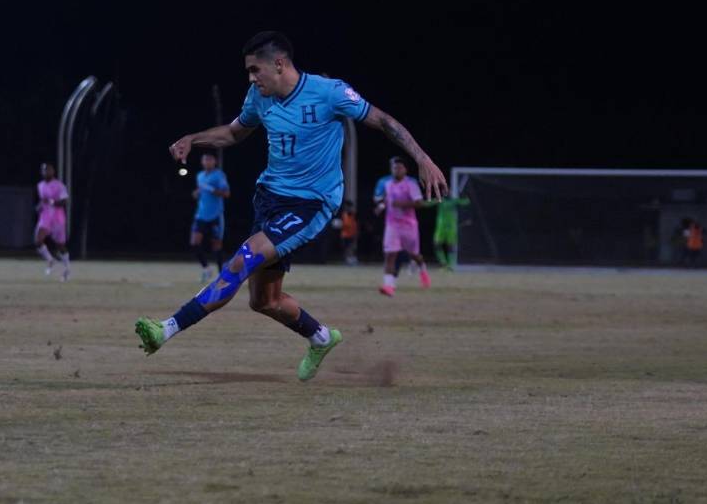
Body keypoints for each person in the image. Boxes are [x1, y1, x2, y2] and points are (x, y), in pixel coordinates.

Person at [134, 31, 447, 382]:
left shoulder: (329, 93)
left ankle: (166, 328)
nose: (251, 79)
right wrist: (193, 139)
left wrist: (422, 159)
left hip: (311, 203)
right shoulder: (259, 96)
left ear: (279, 64)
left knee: (243, 259)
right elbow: (235, 133)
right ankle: (322, 337)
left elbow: (384, 121)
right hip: (269, 199)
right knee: (264, 301)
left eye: (255, 70)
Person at [378, 157, 432, 296]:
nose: (397, 170)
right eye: (394, 168)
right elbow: (387, 199)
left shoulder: (411, 184)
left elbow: (420, 203)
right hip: (392, 225)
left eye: (399, 167)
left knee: (414, 254)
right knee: (390, 254)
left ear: (405, 170)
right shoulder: (387, 184)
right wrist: (381, 206)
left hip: (409, 225)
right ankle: (389, 286)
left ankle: (423, 270)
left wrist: (402, 204)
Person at [190, 151, 230, 283]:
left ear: (214, 161)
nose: (207, 162)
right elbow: (200, 193)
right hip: (201, 215)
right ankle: (206, 269)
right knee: (195, 242)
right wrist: (197, 193)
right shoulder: (200, 176)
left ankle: (221, 276)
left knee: (216, 245)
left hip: (215, 215)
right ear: (202, 162)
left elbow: (226, 194)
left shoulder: (219, 175)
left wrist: (212, 189)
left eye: (209, 159)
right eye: (205, 160)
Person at [35, 162, 71, 280]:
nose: (46, 172)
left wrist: (51, 202)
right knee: (38, 240)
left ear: (53, 171)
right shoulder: (40, 185)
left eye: (48, 170)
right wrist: (39, 206)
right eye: (44, 170)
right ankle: (50, 260)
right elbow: (43, 200)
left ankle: (67, 270)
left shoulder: (59, 185)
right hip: (45, 217)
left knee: (61, 245)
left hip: (58, 218)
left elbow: (64, 201)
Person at [430, 194, 470, 272]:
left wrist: (466, 197)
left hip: (451, 228)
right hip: (441, 227)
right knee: (437, 244)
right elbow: (427, 203)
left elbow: (466, 202)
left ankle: (450, 266)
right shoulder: (439, 200)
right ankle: (444, 264)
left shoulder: (455, 201)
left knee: (450, 246)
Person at [336, 199, 359, 265]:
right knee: (346, 247)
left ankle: (350, 259)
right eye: (348, 206)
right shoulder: (344, 214)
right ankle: (346, 260)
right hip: (345, 234)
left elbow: (354, 224)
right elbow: (342, 224)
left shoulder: (353, 214)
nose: (349, 208)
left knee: (351, 247)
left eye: (350, 207)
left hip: (351, 233)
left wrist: (356, 232)